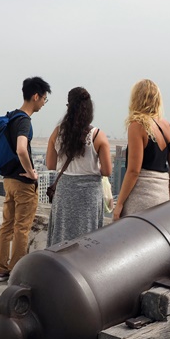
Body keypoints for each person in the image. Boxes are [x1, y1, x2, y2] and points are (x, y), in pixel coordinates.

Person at [0, 76, 52, 282]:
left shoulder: (11, 117)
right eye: (44, 99)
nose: (44, 103)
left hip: (8, 180)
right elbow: (21, 148)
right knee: (21, 227)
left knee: (7, 225)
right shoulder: (24, 121)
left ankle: (1, 269)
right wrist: (31, 172)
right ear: (35, 96)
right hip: (22, 182)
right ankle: (17, 272)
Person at [46, 87, 112, 247]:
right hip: (89, 195)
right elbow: (107, 171)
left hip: (65, 192)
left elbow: (50, 164)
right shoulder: (97, 135)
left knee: (61, 235)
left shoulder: (58, 132)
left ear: (69, 107)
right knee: (87, 238)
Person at [113, 79, 170, 220]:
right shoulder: (168, 127)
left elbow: (133, 171)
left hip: (141, 197)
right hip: (162, 196)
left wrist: (119, 204)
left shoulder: (137, 125)